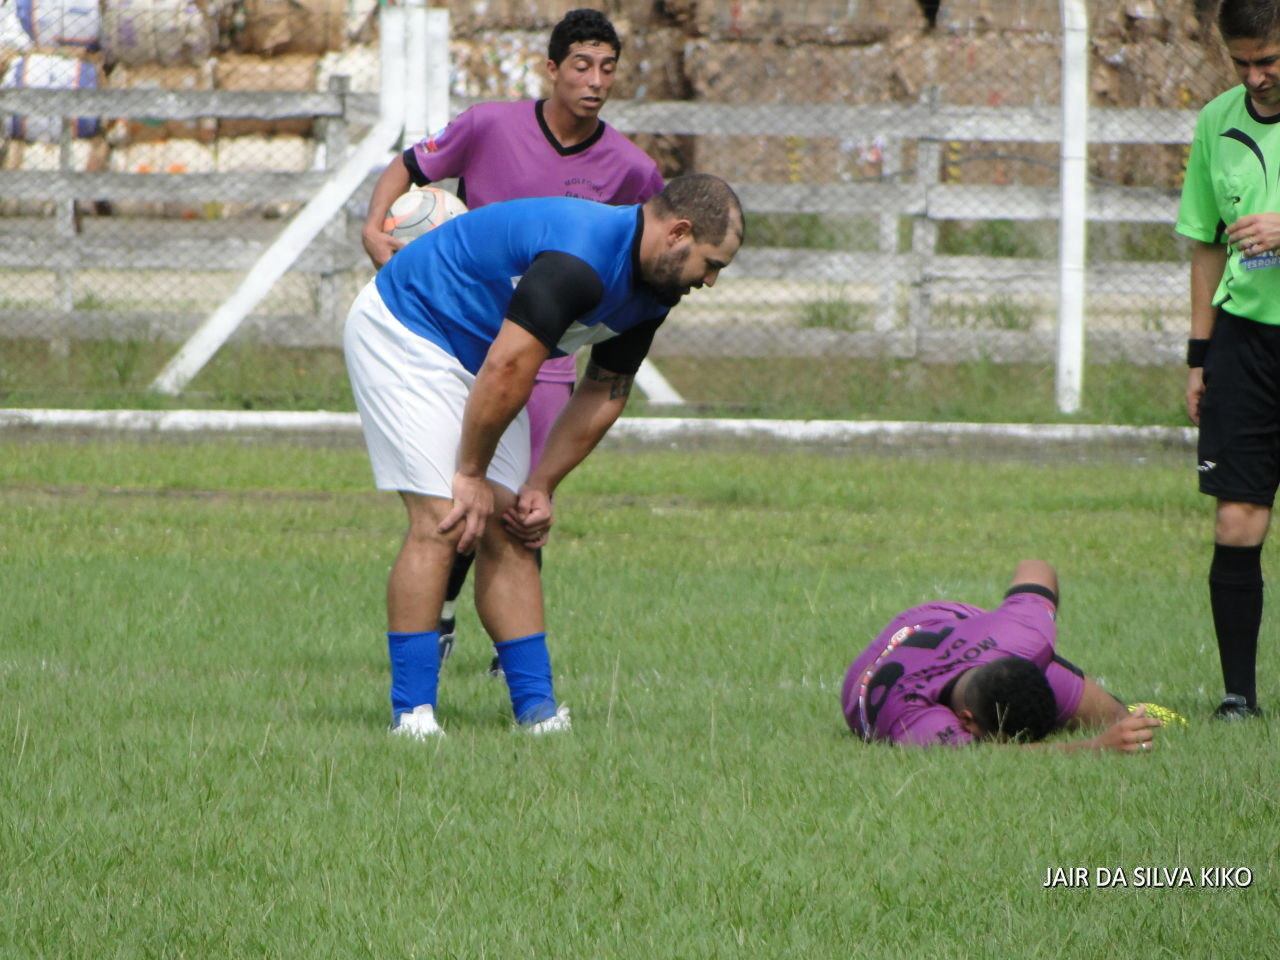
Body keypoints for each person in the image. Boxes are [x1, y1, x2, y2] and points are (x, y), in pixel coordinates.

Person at [344, 175, 744, 738]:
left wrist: (540, 485)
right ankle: (412, 717)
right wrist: (469, 473)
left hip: (484, 358)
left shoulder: (657, 289)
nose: (710, 281)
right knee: (443, 517)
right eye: (712, 263)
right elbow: (510, 366)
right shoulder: (580, 257)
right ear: (678, 232)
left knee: (511, 525)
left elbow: (605, 388)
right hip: (409, 328)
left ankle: (538, 715)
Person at [361, 9, 665, 671]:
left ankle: (512, 654)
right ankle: (440, 615)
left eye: (607, 68)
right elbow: (407, 168)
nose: (595, 81)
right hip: (463, 339)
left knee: (522, 506)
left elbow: (657, 241)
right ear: (551, 69)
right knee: (456, 490)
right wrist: (373, 228)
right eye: (581, 66)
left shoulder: (632, 169)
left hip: (548, 359)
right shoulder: (488, 126)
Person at [1178, 0, 1280, 721]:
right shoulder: (1217, 121)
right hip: (1243, 343)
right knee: (1237, 519)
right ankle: (1238, 696)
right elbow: (1206, 243)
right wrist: (1199, 355)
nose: (1255, 76)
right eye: (1241, 62)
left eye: (1268, 60)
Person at [840, 560, 1164, 751]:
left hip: (952, 620)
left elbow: (1035, 567)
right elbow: (983, 758)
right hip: (896, 642)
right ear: (966, 720)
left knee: (1116, 717)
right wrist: (1094, 747)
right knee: (1105, 725)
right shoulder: (916, 718)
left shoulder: (1024, 635)